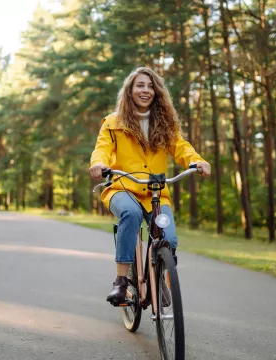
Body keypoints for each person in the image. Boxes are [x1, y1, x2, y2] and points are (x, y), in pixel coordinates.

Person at [89, 67, 211, 305]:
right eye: (140, 85)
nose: (145, 90)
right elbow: (102, 149)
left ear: (157, 92)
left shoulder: (164, 123)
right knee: (130, 213)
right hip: (122, 188)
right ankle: (121, 283)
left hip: (155, 192)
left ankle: (161, 283)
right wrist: (99, 164)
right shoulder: (114, 122)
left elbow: (181, 147)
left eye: (150, 86)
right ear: (130, 91)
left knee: (169, 238)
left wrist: (197, 161)